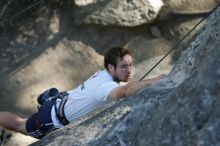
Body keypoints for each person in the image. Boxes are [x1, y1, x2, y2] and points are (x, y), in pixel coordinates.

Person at [0, 47, 164, 139]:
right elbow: (126, 91)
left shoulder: (102, 75)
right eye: (123, 66)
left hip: (58, 104)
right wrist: (153, 81)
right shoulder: (105, 86)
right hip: (51, 120)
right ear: (110, 67)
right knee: (19, 124)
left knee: (19, 122)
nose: (129, 71)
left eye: (130, 65)